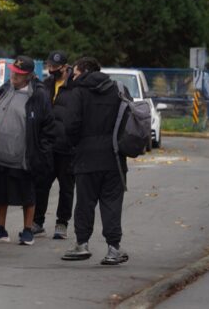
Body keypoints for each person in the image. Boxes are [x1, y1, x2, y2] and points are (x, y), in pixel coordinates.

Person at [60, 57, 129, 265]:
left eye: (77, 73)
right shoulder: (119, 89)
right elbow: (129, 120)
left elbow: (70, 124)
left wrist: (75, 146)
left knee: (84, 202)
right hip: (114, 156)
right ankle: (113, 248)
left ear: (85, 72)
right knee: (112, 203)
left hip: (85, 156)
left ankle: (82, 244)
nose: (74, 76)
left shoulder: (79, 93)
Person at [0, 55, 55, 246]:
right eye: (13, 71)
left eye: (19, 74)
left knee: (27, 195)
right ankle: (1, 229)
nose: (14, 75)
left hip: (23, 155)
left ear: (29, 76)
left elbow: (47, 126)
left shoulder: (38, 94)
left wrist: (41, 153)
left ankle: (28, 230)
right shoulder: (4, 88)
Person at [34, 50, 76, 239]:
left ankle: (62, 223)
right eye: (49, 66)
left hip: (67, 147)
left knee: (66, 188)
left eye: (54, 67)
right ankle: (37, 221)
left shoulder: (75, 87)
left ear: (65, 67)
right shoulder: (46, 85)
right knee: (41, 184)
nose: (50, 70)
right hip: (48, 145)